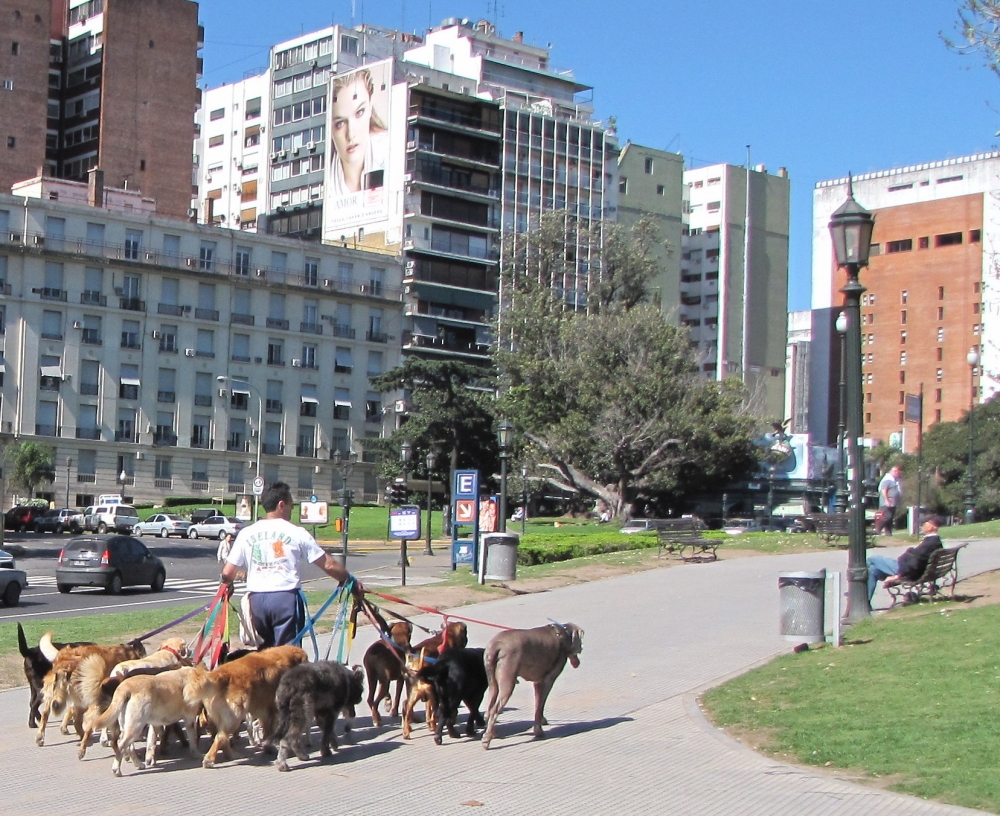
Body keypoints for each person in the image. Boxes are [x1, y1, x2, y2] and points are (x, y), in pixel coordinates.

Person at [220, 482, 361, 648]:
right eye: (291, 504)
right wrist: (349, 580)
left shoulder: (246, 533)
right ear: (281, 504)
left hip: (256, 601)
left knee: (266, 657)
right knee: (289, 657)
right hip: (285, 599)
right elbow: (328, 564)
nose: (292, 508)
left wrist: (227, 585)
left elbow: (227, 572)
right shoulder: (296, 532)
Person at [329, 68, 388, 198]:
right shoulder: (325, 176)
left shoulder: (389, 150)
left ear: (370, 108)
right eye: (340, 123)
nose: (351, 134)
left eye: (359, 112)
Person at [866, 515, 943, 602]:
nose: (921, 526)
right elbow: (917, 559)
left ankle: (856, 589)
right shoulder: (935, 542)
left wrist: (898, 575)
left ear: (932, 525)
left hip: (906, 571)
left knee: (872, 559)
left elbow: (915, 563)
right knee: (873, 570)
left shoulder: (929, 543)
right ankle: (865, 601)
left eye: (924, 524)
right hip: (913, 570)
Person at [876, 465, 902, 536]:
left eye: (898, 471)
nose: (898, 473)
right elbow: (884, 490)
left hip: (893, 503)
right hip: (886, 503)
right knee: (887, 516)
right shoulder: (887, 479)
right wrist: (887, 500)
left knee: (890, 518)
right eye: (896, 471)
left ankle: (888, 532)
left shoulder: (895, 480)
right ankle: (877, 529)